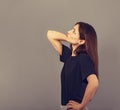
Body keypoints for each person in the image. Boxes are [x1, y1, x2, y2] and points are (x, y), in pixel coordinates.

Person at [47, 22, 99, 110]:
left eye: (74, 31)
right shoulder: (68, 56)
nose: (69, 31)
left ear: (81, 41)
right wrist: (68, 38)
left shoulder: (83, 58)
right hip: (65, 107)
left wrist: (81, 105)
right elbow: (50, 34)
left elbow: (94, 83)